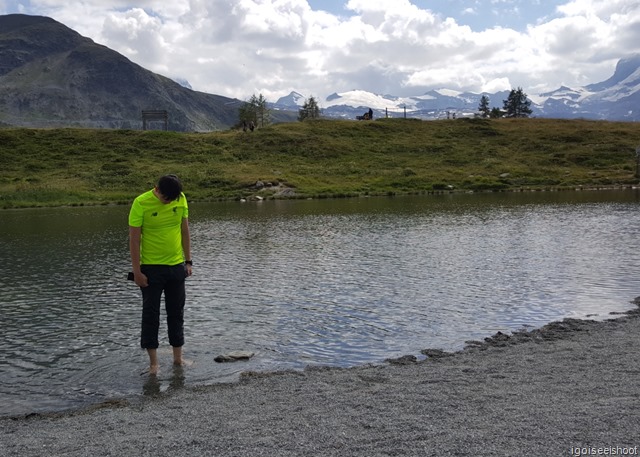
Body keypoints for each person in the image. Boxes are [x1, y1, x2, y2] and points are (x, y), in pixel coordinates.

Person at [128, 174, 193, 375]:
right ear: (156, 189)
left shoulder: (180, 198)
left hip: (176, 266)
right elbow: (134, 240)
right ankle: (154, 364)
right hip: (151, 268)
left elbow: (185, 230)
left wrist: (188, 261)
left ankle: (178, 359)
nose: (169, 202)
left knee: (176, 313)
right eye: (166, 199)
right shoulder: (141, 203)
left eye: (173, 199)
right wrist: (137, 272)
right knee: (150, 315)